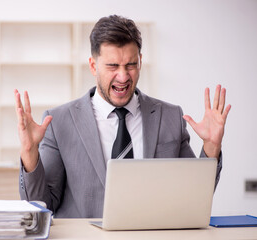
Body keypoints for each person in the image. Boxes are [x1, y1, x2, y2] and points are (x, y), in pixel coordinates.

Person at [14, 15, 231, 218]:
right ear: (93, 66)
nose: (123, 76)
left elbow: (192, 198)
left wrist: (211, 147)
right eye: (112, 66)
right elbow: (42, 206)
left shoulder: (170, 117)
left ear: (140, 62)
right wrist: (30, 154)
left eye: (131, 65)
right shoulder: (59, 122)